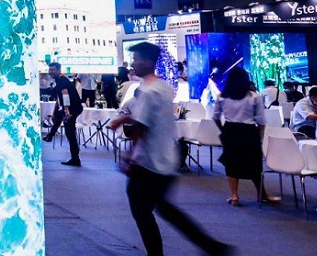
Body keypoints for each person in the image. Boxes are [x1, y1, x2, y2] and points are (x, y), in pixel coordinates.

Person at [110, 42, 231, 256]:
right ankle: (211, 246)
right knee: (164, 209)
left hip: (148, 163)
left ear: (147, 61)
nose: (133, 64)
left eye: (136, 59)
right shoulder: (163, 87)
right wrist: (125, 119)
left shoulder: (148, 91)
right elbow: (150, 119)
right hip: (166, 159)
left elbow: (142, 128)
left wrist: (129, 157)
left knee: (142, 211)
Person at [213, 67, 280, 206]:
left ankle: (234, 195)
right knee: (254, 164)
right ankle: (262, 194)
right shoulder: (254, 96)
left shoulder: (222, 96)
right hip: (248, 131)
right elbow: (261, 120)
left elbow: (215, 116)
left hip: (230, 130)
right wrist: (259, 134)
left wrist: (223, 130)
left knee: (231, 163)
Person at [42, 62, 84, 167]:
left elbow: (65, 95)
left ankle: (75, 159)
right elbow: (59, 99)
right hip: (71, 108)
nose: (50, 72)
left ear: (59, 70)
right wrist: (54, 112)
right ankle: (50, 135)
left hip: (73, 109)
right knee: (59, 119)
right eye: (49, 70)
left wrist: (67, 111)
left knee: (70, 133)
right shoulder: (59, 80)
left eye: (53, 70)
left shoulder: (62, 80)